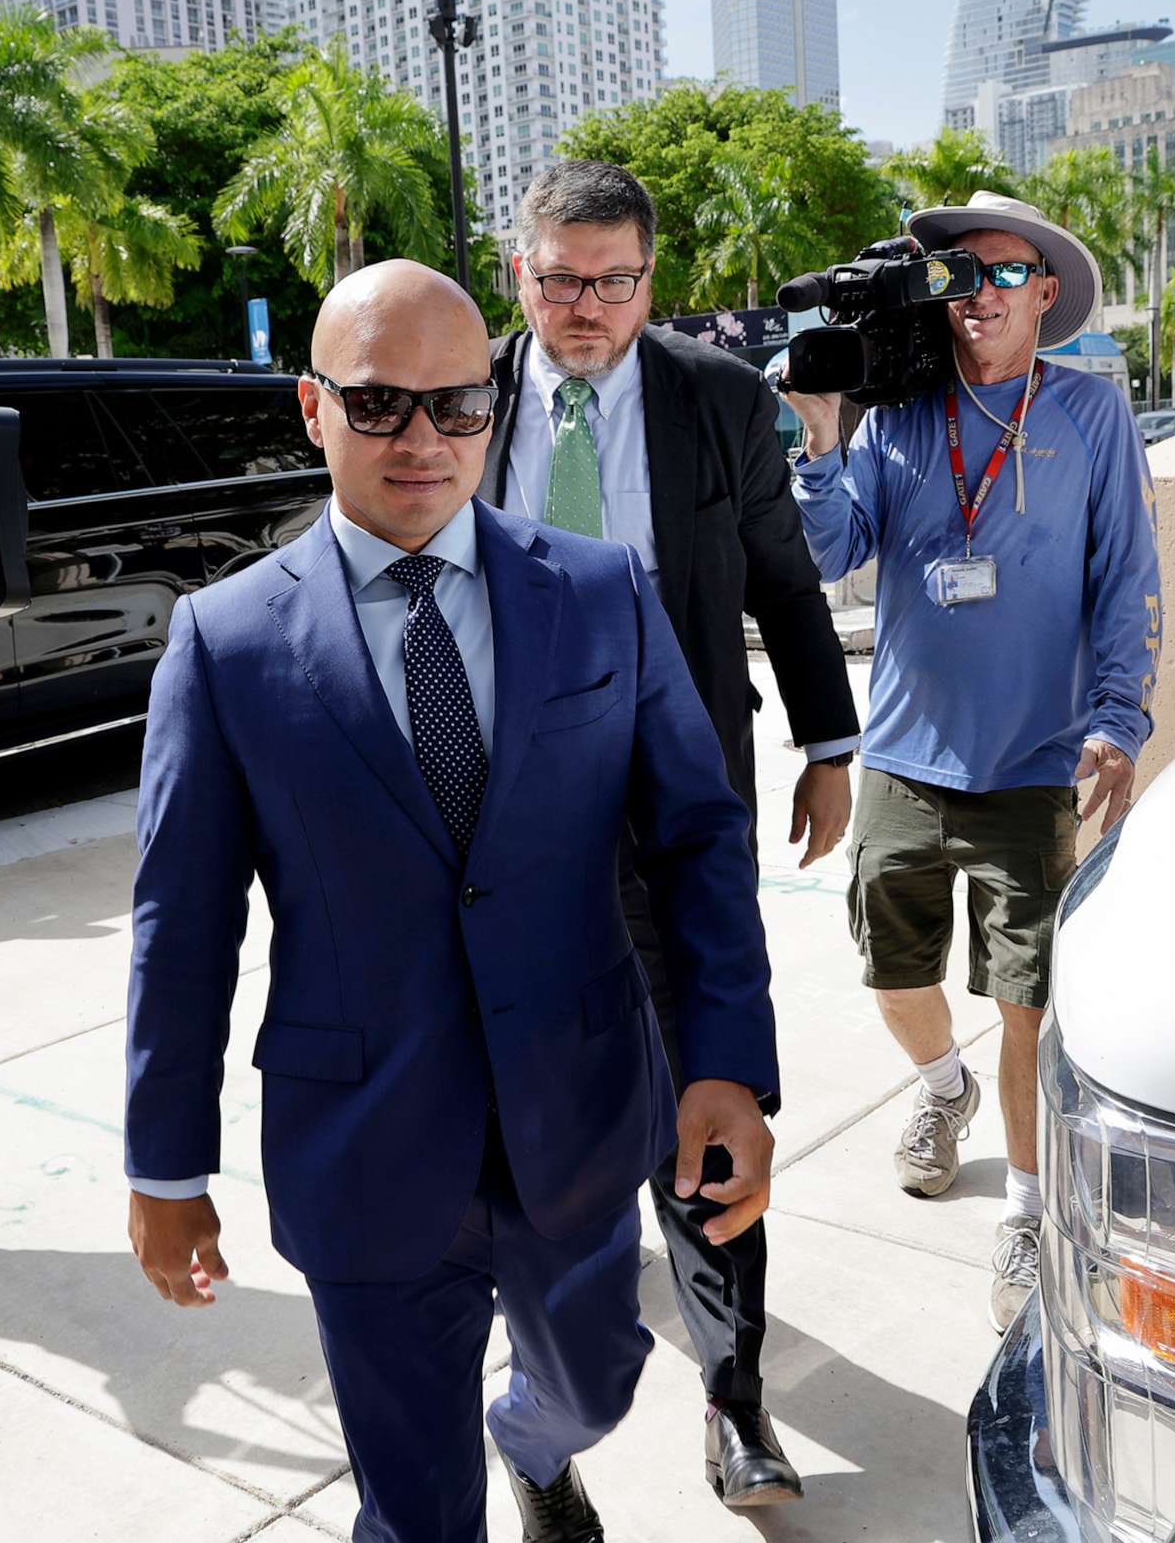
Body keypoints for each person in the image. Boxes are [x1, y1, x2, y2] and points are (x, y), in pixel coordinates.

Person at [125, 261, 780, 1543]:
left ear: (496, 409)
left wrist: (728, 1064)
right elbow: (182, 926)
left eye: (457, 404)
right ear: (312, 406)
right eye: (378, 406)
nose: (422, 440)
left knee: (598, 1380)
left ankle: (534, 1441)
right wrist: (165, 1159)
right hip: (366, 1148)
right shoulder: (225, 642)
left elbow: (699, 835)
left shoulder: (600, 593)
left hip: (581, 1117)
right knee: (417, 1514)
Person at [480, 158, 859, 1507]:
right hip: (507, 830)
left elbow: (785, 583)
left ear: (653, 277)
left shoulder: (715, 403)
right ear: (518, 270)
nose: (588, 306)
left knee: (712, 1089)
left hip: (680, 805)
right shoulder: (464, 402)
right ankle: (543, 1415)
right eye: (562, 277)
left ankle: (735, 1395)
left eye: (617, 280)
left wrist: (830, 744)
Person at [780, 192, 1160, 1331]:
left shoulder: (1090, 415)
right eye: (959, 277)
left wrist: (1120, 716)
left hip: (1034, 760)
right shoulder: (901, 418)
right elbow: (835, 553)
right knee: (896, 975)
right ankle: (941, 1090)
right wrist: (819, 436)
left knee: (1026, 1004)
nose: (978, 296)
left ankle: (1028, 1218)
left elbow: (1126, 575)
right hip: (903, 748)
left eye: (1002, 275)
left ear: (1046, 292)